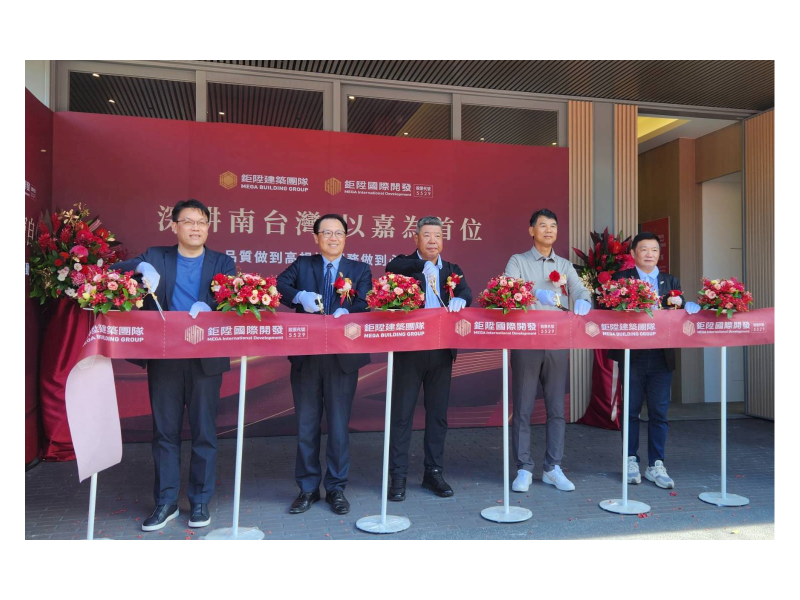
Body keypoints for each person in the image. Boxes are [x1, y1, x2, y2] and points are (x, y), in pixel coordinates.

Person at [114, 199, 235, 532]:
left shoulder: (222, 262)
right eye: (189, 221)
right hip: (165, 356)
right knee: (164, 433)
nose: (196, 227)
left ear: (208, 227)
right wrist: (140, 268)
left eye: (202, 222)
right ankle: (166, 502)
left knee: (204, 432)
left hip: (206, 358)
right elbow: (115, 272)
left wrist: (211, 307)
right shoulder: (156, 256)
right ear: (174, 226)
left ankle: (199, 501)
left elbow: (231, 300)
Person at [276, 214, 372, 515]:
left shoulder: (359, 269)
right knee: (307, 425)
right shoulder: (303, 265)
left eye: (339, 233)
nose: (333, 238)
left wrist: (348, 312)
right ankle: (307, 489)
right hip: (307, 355)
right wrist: (299, 295)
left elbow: (366, 301)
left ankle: (336, 488)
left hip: (342, 358)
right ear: (316, 237)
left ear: (346, 237)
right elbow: (278, 285)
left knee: (339, 427)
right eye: (327, 233)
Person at [384, 216, 472, 501]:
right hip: (410, 352)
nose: (433, 241)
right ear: (416, 238)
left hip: (442, 352)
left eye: (437, 236)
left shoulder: (452, 270)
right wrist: (421, 266)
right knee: (401, 416)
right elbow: (391, 268)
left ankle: (433, 473)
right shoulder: (404, 264)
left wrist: (463, 299)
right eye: (427, 235)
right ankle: (398, 477)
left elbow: (465, 291)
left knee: (437, 416)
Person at [505, 208, 592, 493]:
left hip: (556, 342)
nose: (548, 230)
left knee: (556, 409)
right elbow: (508, 289)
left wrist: (584, 300)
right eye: (542, 225)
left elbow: (580, 290)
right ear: (532, 230)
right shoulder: (518, 260)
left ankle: (553, 467)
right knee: (523, 409)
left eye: (553, 226)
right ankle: (524, 468)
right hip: (527, 342)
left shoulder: (565, 265)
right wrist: (535, 294)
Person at [608, 231, 701, 489]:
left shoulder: (670, 280)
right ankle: (630, 460)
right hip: (632, 355)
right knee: (631, 411)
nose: (649, 254)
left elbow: (677, 311)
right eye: (644, 249)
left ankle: (656, 464)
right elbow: (608, 310)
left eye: (654, 250)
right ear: (633, 253)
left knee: (659, 413)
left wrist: (686, 306)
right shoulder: (621, 279)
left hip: (661, 356)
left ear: (659, 254)